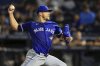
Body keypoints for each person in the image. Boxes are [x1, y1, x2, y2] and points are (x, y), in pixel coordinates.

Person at [8, 4, 73, 66]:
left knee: (63, 65)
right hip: (36, 55)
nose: (48, 13)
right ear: (40, 13)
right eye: (46, 12)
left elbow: (61, 37)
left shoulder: (53, 25)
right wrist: (11, 14)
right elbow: (16, 27)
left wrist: (68, 38)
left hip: (46, 56)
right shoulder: (32, 24)